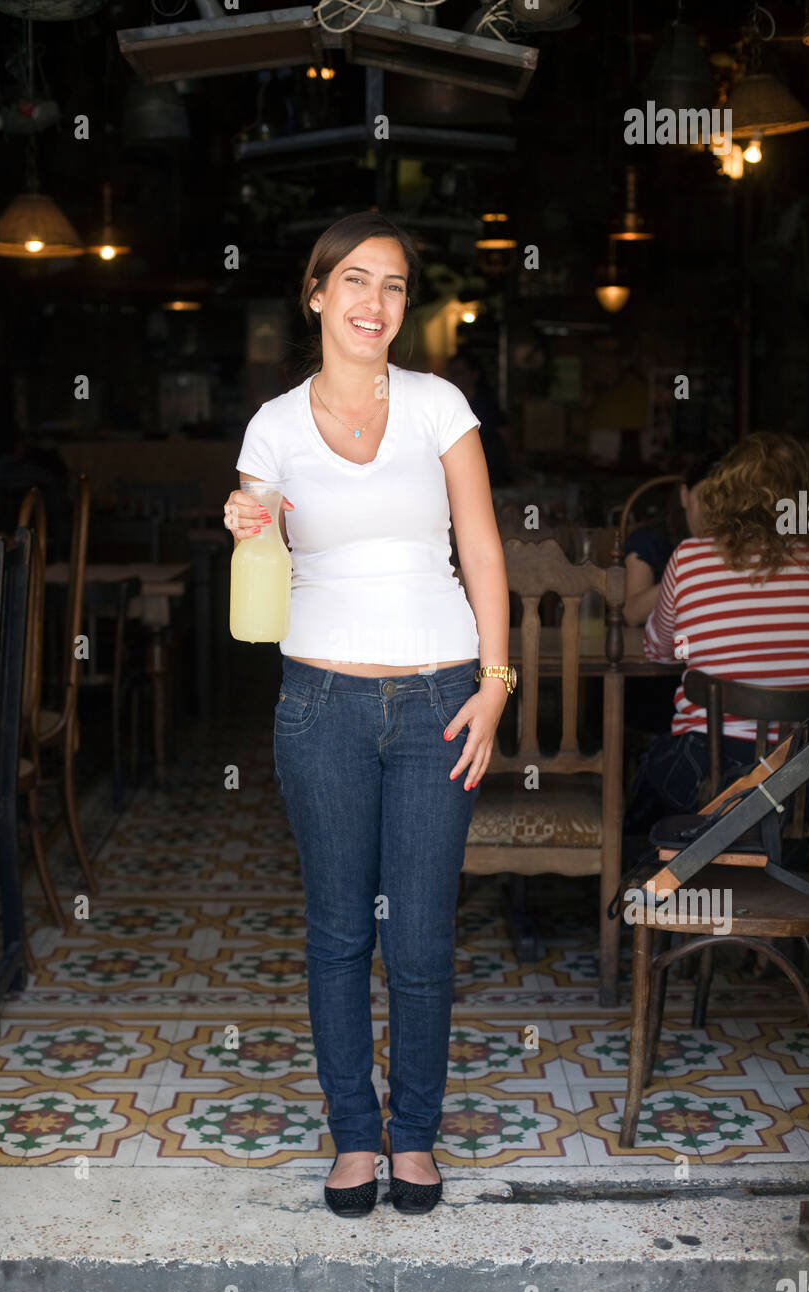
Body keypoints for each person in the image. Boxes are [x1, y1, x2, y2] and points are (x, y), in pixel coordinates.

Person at [223, 212, 513, 1217]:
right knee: (340, 933)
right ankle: (355, 1134)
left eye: (392, 286)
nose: (372, 303)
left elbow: (480, 548)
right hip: (321, 703)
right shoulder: (273, 424)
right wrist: (242, 517)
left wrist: (494, 681)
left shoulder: (439, 406)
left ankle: (416, 1134)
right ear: (315, 295)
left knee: (422, 939)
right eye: (353, 281)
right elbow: (253, 529)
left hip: (440, 696)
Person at [629, 431, 809, 825]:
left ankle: (669, 871)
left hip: (708, 773)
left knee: (649, 775)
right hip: (805, 778)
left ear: (726, 492)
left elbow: (658, 651)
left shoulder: (691, 557)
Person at [622, 453, 720, 628]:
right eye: (706, 497)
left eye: (725, 499)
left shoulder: (745, 544)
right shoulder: (649, 540)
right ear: (684, 495)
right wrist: (693, 575)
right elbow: (632, 614)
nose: (714, 508)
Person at [445, 350, 519, 488]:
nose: (455, 377)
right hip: (458, 477)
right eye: (452, 372)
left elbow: (508, 438)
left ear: (474, 375)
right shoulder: (446, 405)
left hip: (491, 476)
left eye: (460, 372)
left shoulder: (487, 405)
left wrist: (516, 474)